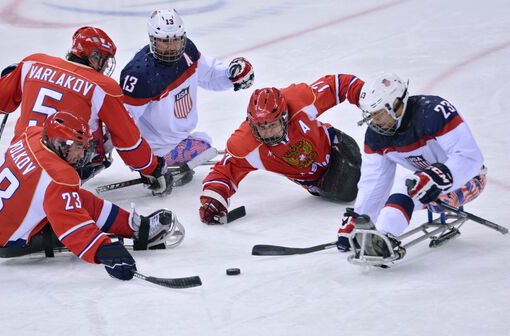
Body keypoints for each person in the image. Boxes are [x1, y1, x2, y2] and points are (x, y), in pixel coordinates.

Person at [0, 112, 185, 281]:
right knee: (74, 202)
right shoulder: (60, 177)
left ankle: (133, 225)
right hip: (2, 238)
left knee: (70, 198)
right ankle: (137, 229)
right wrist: (104, 251)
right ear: (60, 145)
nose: (83, 154)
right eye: (78, 147)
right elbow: (72, 227)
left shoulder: (32, 134)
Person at [0, 26, 172, 195]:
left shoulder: (32, 63)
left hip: (18, 159)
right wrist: (152, 168)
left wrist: (9, 78)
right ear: (94, 57)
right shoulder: (103, 86)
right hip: (60, 170)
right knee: (116, 125)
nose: (106, 66)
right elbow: (127, 141)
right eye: (105, 60)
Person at [336, 72, 486, 261]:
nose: (375, 121)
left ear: (397, 104)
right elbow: (374, 181)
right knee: (411, 183)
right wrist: (359, 219)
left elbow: (470, 157)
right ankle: (381, 239)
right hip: (426, 183)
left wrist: (438, 177)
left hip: (469, 178)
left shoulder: (433, 112)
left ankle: (384, 236)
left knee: (410, 183)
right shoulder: (375, 135)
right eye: (371, 115)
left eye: (379, 113)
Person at [199, 74, 364, 224]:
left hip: (335, 146)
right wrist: (213, 200)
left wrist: (368, 99)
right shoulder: (244, 145)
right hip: (319, 182)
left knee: (357, 165)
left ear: (284, 117)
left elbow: (337, 84)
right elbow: (224, 171)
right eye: (261, 127)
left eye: (272, 125)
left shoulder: (299, 99)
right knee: (346, 191)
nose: (268, 132)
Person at [120, 8, 255, 186]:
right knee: (205, 145)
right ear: (152, 40)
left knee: (205, 144)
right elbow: (122, 125)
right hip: (155, 150)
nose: (171, 47)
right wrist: (146, 164)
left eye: (176, 40)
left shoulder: (187, 52)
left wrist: (232, 74)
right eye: (164, 42)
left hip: (176, 139)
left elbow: (210, 75)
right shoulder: (139, 75)